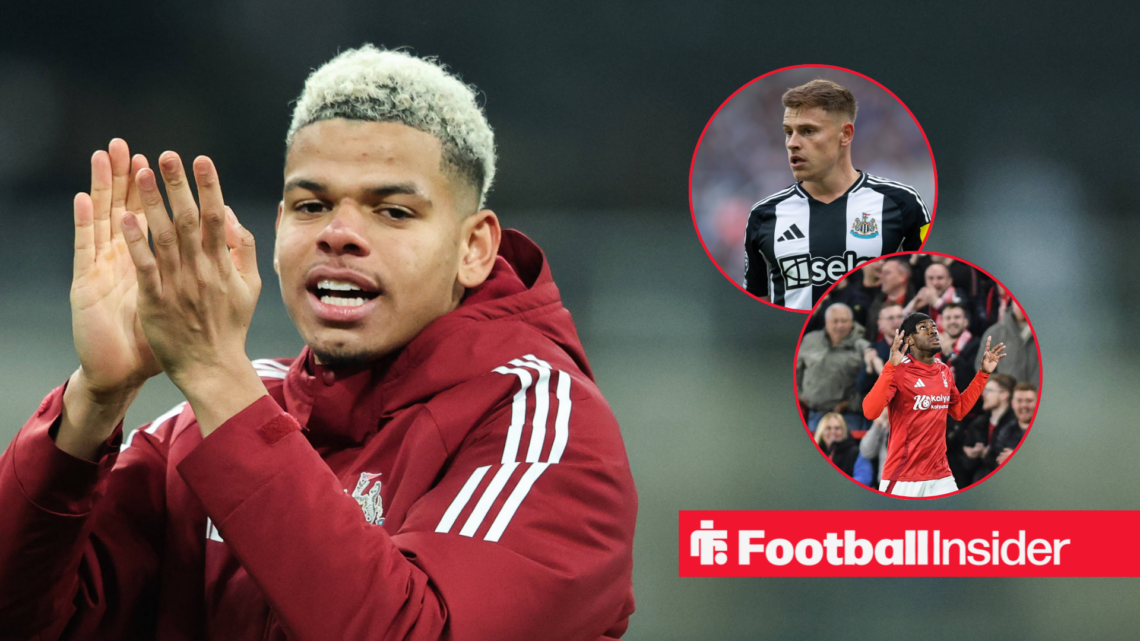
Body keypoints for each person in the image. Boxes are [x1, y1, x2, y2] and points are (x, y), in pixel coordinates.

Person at [0, 46, 636, 640]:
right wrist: (93, 401)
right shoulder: (205, 428)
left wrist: (217, 375)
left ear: (473, 248)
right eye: (310, 205)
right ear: (277, 229)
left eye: (393, 211)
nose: (338, 233)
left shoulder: (544, 424)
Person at [742, 79, 930, 310]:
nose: (792, 143)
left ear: (845, 135)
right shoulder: (763, 215)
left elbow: (925, 283)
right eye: (788, 132)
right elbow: (756, 301)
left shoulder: (903, 204)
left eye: (808, 131)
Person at [862, 313, 1006, 497]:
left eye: (934, 328)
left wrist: (983, 374)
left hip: (940, 474)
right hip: (903, 475)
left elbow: (959, 411)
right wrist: (890, 367)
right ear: (909, 340)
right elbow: (870, 411)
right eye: (924, 328)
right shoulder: (899, 371)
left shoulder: (943, 370)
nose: (933, 331)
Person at [797, 303, 870, 433]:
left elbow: (871, 385)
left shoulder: (863, 347)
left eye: (844, 321)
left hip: (849, 415)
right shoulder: (810, 340)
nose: (839, 325)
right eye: (835, 321)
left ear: (852, 322)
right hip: (815, 413)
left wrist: (850, 404)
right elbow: (796, 370)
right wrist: (799, 394)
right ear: (826, 322)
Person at [954, 374, 1017, 488]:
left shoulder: (1015, 427)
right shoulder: (978, 425)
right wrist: (971, 456)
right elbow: (965, 465)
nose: (983, 394)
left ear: (1004, 395)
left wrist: (986, 454)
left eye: (989, 390)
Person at [975, 301, 1039, 385]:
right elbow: (983, 369)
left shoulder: (1048, 333)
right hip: (1006, 396)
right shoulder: (995, 333)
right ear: (1012, 302)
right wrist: (998, 391)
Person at [864, 258, 914, 342]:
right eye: (881, 273)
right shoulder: (876, 303)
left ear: (903, 276)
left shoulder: (917, 304)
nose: (881, 277)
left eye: (887, 273)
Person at [813, 412, 871, 484]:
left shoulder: (856, 452)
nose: (833, 432)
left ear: (844, 431)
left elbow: (864, 478)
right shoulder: (813, 455)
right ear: (821, 432)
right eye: (828, 428)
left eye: (837, 428)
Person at [937, 302, 980, 393]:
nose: (952, 321)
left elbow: (970, 376)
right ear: (941, 323)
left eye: (957, 317)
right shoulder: (933, 346)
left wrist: (951, 353)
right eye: (948, 318)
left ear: (966, 322)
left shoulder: (975, 344)